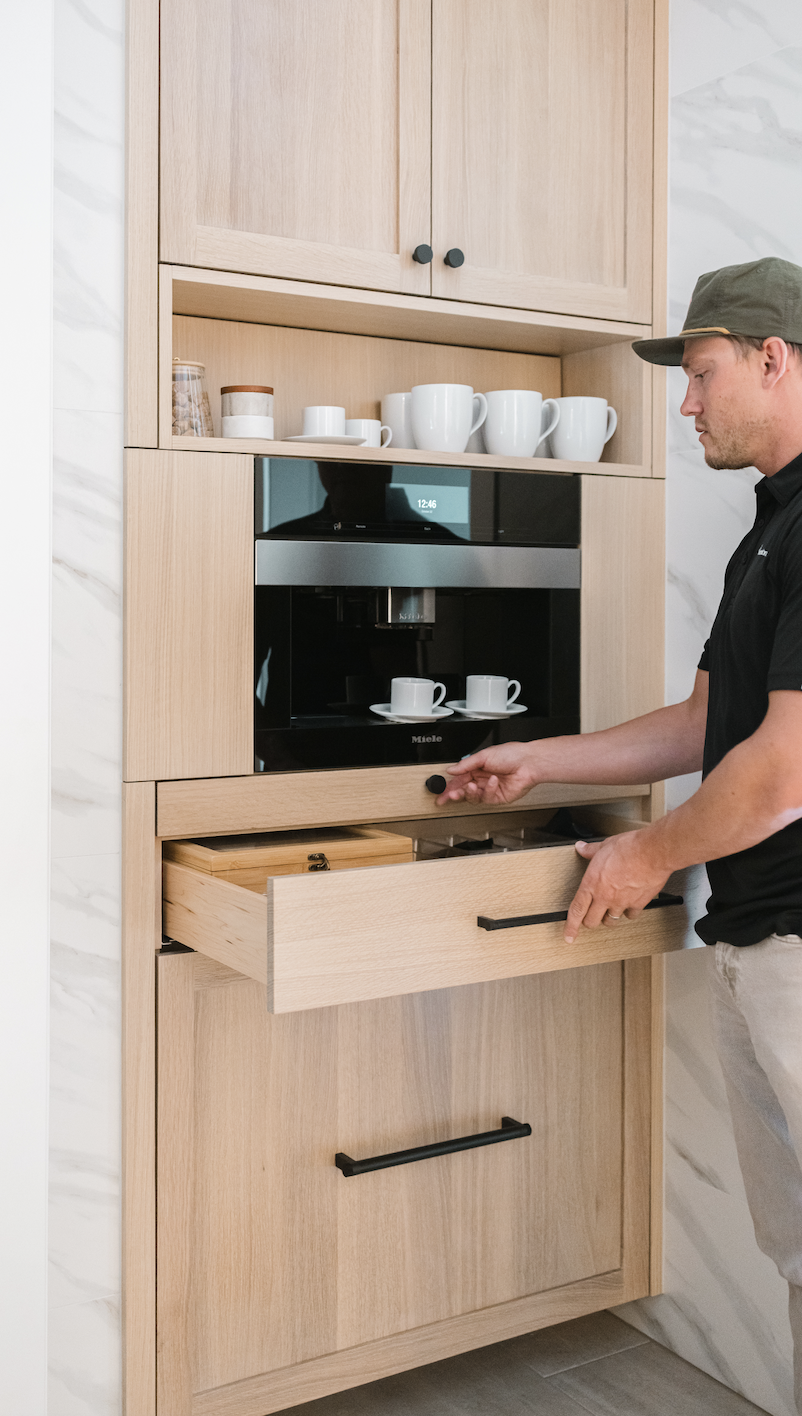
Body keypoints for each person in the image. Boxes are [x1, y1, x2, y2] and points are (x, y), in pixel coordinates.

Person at [436, 256, 802, 1413]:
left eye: (697, 374)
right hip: (758, 939)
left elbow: (783, 769)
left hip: (799, 942)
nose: (685, 402)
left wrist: (645, 853)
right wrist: (543, 758)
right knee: (794, 1252)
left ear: (771, 359)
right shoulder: (770, 530)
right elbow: (709, 723)